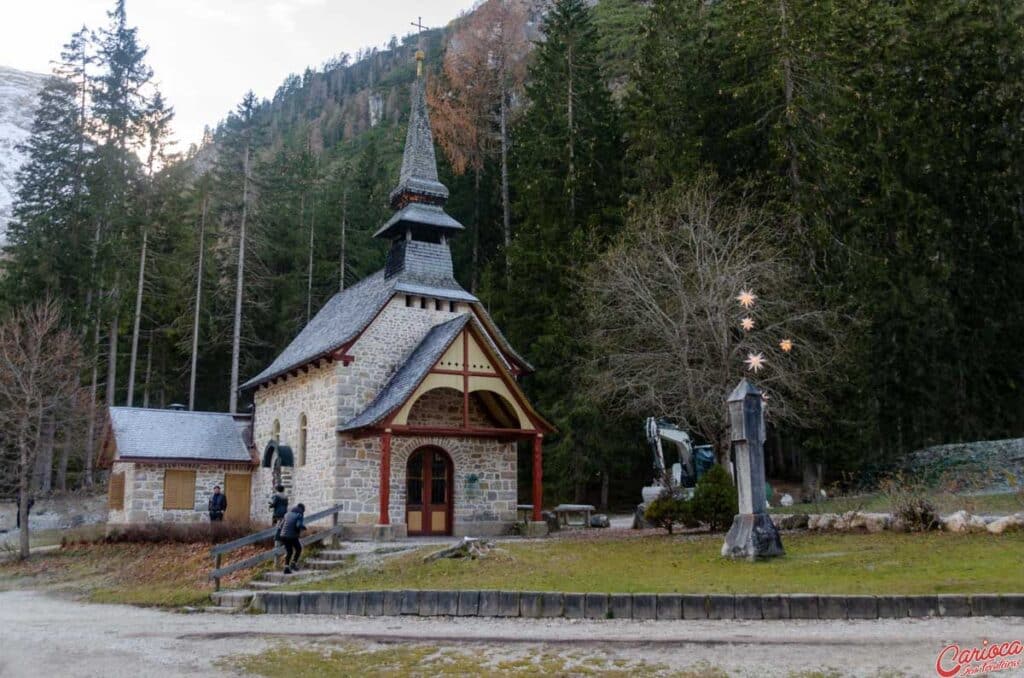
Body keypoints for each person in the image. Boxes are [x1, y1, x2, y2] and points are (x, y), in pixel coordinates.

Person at [278, 503, 306, 574]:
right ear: (302, 510)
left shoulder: (287, 514)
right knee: (298, 549)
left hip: (283, 536)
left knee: (289, 551)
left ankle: (286, 567)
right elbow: (298, 525)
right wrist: (303, 527)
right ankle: (293, 564)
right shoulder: (299, 515)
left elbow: (280, 526)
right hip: (292, 536)